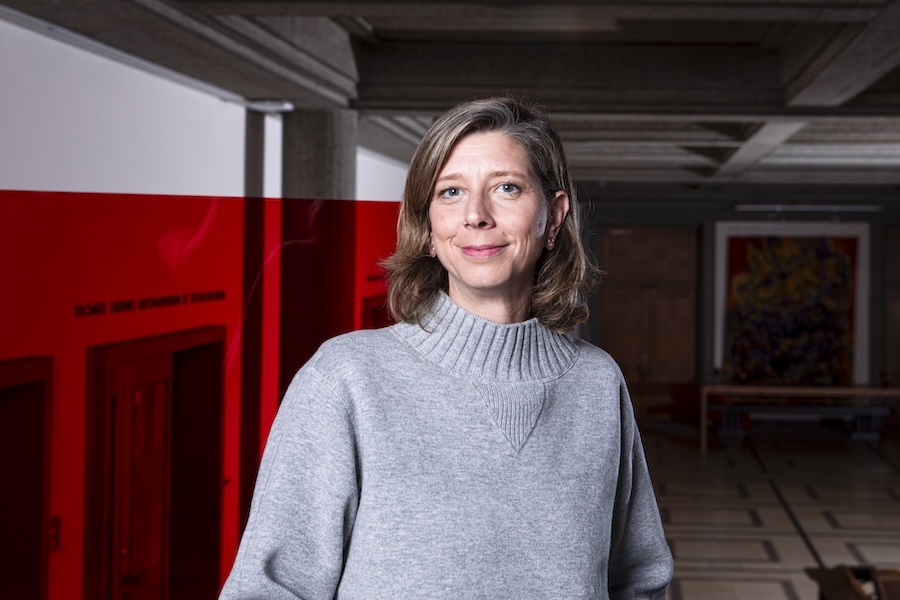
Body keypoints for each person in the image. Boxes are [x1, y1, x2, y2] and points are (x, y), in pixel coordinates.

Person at [219, 96, 673, 599]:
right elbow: (269, 589)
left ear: (553, 217)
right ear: (430, 229)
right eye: (451, 192)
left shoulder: (597, 383)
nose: (476, 215)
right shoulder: (346, 379)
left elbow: (640, 580)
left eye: (506, 188)